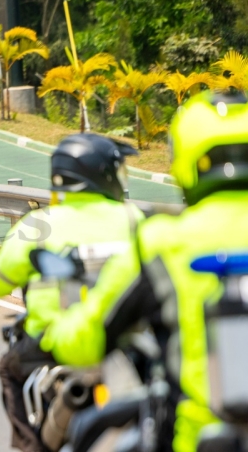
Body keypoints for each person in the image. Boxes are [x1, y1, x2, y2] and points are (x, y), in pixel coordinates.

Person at [39, 91, 248, 452]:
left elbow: (89, 336)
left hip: (192, 439)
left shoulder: (161, 240)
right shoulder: (144, 226)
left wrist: (52, 333)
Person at [0, 134, 141, 452]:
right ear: (101, 174)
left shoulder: (39, 224)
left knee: (8, 368)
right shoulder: (134, 218)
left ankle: (31, 446)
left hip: (57, 340)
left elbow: (2, 277)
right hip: (130, 336)